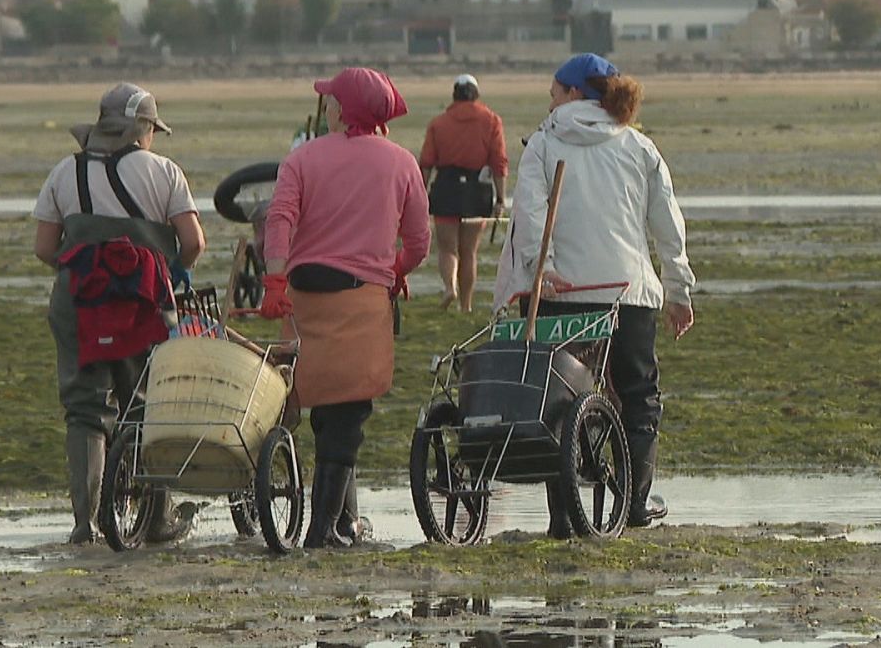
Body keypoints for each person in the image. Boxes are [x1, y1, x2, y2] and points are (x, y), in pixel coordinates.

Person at [497, 54, 695, 533]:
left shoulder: (543, 144)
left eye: (552, 92)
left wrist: (538, 272)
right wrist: (679, 289)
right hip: (629, 292)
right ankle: (635, 505)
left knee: (555, 401)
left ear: (571, 94)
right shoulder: (639, 147)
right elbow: (668, 226)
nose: (548, 101)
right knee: (639, 398)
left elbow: (528, 216)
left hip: (561, 292)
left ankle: (563, 517)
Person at [259, 67, 430, 549]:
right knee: (348, 414)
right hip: (361, 297)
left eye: (331, 100)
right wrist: (395, 271)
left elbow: (280, 219)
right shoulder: (401, 163)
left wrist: (274, 279)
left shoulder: (302, 158)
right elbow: (419, 241)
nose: (326, 107)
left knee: (322, 403)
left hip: (305, 292)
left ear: (341, 110)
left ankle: (338, 522)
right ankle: (323, 529)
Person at [33, 83, 207, 546]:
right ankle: (154, 519)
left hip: (78, 303)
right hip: (144, 301)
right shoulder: (165, 173)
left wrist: (86, 272)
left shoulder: (64, 172)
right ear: (143, 129)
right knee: (146, 406)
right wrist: (171, 272)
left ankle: (84, 524)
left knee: (85, 410)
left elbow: (45, 248)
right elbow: (193, 243)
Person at [420, 73, 508, 313]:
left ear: (454, 95)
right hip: (476, 190)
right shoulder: (491, 121)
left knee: (448, 248)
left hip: (446, 187)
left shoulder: (438, 124)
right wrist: (501, 198)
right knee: (469, 251)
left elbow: (426, 162)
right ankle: (466, 305)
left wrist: (421, 193)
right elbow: (499, 163)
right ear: (476, 95)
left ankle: (450, 286)